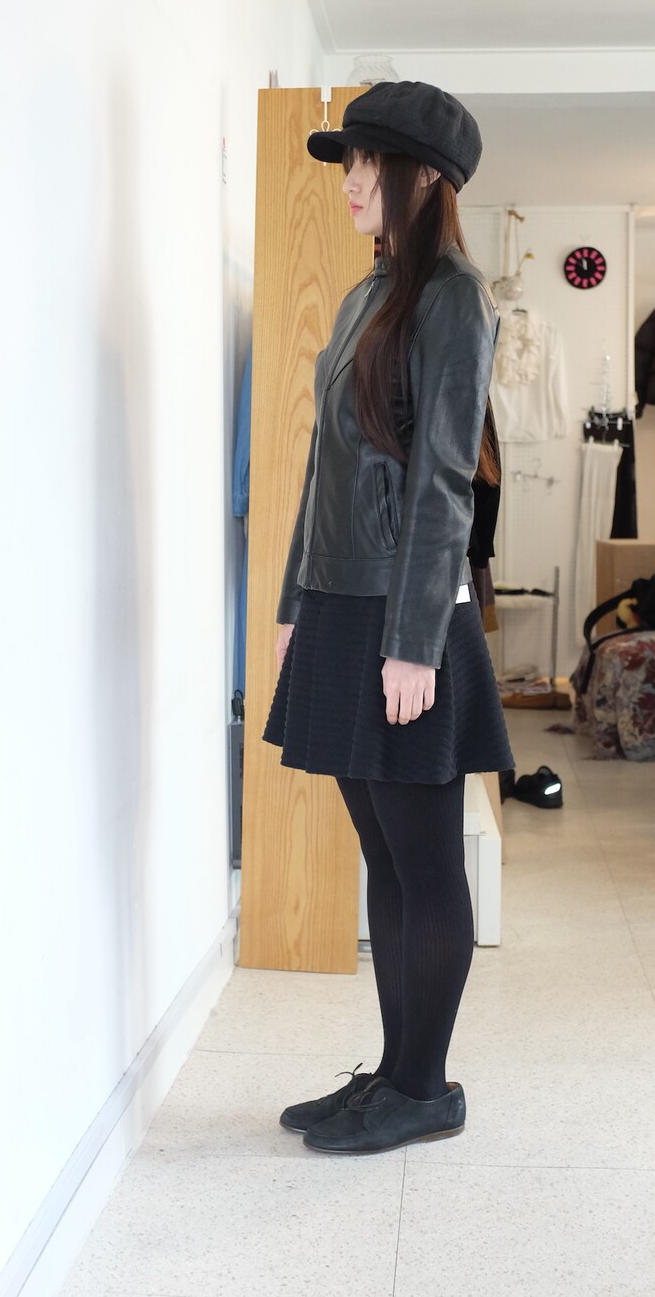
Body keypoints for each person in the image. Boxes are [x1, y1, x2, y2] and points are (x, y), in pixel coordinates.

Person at [263, 81, 514, 1154]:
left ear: (421, 177)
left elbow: (445, 480)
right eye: (348, 163)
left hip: (406, 615)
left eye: (365, 162)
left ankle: (424, 1086)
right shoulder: (370, 293)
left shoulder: (454, 297)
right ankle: (393, 1071)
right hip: (340, 601)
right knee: (383, 852)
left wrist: (414, 642)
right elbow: (327, 464)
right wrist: (295, 601)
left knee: (424, 859)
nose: (350, 182)